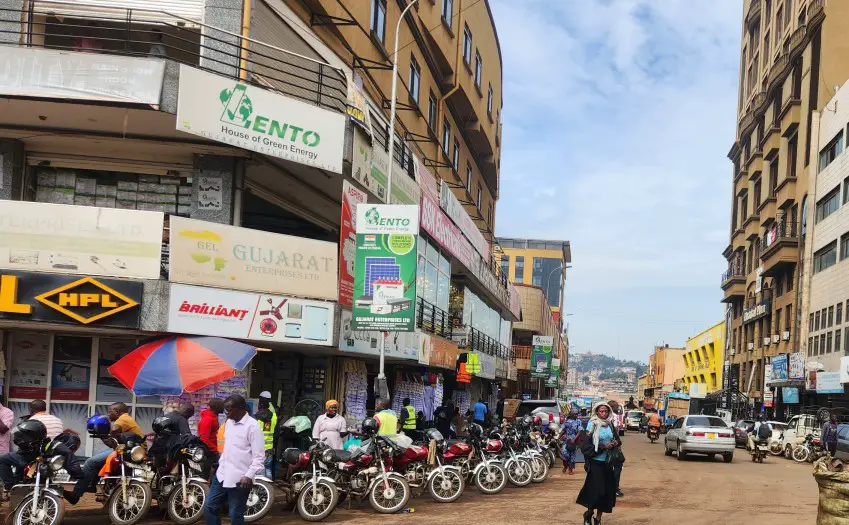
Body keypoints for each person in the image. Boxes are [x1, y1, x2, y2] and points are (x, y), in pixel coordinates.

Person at [65, 402, 143, 504]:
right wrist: (101, 434)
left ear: (117, 411)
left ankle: (76, 494)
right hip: (128, 449)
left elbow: (114, 431)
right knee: (98, 462)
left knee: (90, 462)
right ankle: (91, 485)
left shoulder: (123, 418)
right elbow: (112, 444)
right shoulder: (126, 419)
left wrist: (103, 427)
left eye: (110, 412)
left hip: (130, 450)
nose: (108, 414)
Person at [204, 395, 264, 525]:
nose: (227, 413)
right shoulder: (229, 423)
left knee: (235, 514)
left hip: (240, 479)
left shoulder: (253, 427)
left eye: (229, 410)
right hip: (222, 475)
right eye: (226, 410)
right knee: (210, 507)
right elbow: (228, 448)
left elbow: (259, 457)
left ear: (241, 408)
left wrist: (248, 476)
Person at [0, 420, 83, 499]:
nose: (18, 438)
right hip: (26, 458)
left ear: (32, 437)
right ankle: (9, 487)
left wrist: (78, 474)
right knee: (3, 459)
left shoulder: (52, 445)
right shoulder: (27, 446)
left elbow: (69, 455)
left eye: (22, 436)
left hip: (43, 467)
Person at [577, 403, 620, 525]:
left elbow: (618, 440)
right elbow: (586, 446)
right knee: (596, 492)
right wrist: (602, 446)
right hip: (596, 463)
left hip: (608, 463)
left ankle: (598, 519)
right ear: (597, 412)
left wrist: (614, 443)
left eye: (606, 411)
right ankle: (588, 514)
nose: (604, 414)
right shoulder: (592, 425)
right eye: (601, 411)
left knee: (606, 493)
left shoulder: (610, 424)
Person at [255, 391, 277, 478]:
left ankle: (259, 489)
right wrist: (269, 401)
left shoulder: (255, 418)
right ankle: (268, 487)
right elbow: (272, 410)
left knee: (257, 470)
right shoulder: (274, 417)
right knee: (268, 469)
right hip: (269, 449)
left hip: (258, 449)